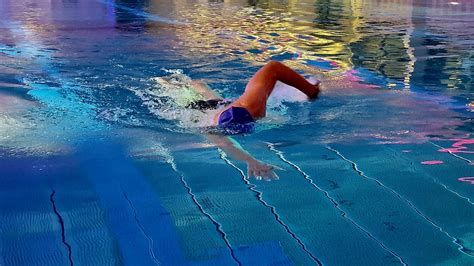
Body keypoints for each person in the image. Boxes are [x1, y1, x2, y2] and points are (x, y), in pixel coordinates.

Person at [184, 60, 320, 180]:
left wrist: (250, 160)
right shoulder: (227, 110)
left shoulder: (208, 120)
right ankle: (313, 91)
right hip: (240, 114)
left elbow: (224, 143)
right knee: (273, 68)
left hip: (238, 120)